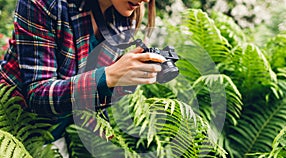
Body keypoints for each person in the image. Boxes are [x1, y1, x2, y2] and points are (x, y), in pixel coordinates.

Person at [0, 0, 165, 139]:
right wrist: (108, 76)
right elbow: (37, 94)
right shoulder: (45, 4)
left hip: (58, 135)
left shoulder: (123, 15)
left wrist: (123, 80)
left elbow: (91, 95)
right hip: (11, 126)